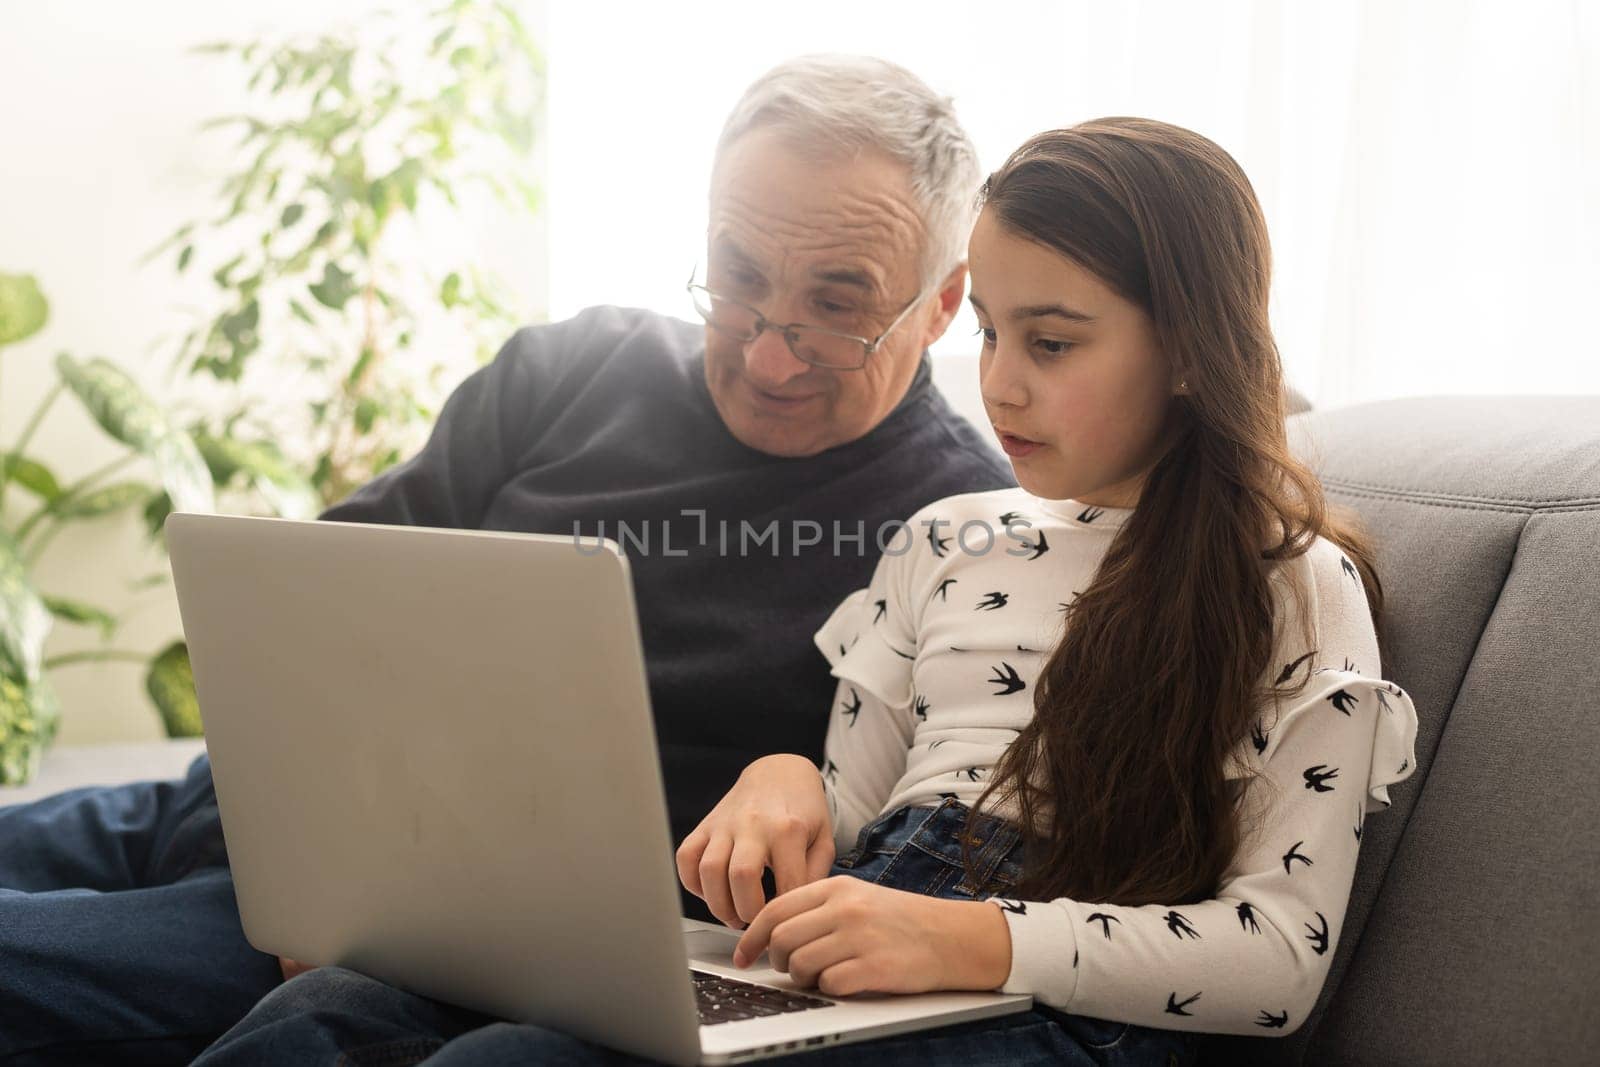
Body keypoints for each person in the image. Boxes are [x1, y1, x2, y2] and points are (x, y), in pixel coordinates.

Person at [188, 117, 1421, 1067]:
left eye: (1051, 342)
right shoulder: (945, 538)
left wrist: (969, 937)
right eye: (984, 331)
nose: (999, 384)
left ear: (1197, 348)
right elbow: (851, 808)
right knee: (330, 1008)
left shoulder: (1290, 584)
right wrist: (787, 787)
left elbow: (1277, 960)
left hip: (1056, 1003)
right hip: (857, 951)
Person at [0, 55, 1015, 1066]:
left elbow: (913, 862)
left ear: (939, 303)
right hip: (235, 806)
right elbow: (303, 588)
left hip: (408, 941)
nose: (766, 355)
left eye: (837, 306)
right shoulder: (574, 366)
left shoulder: (969, 542)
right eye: (739, 277)